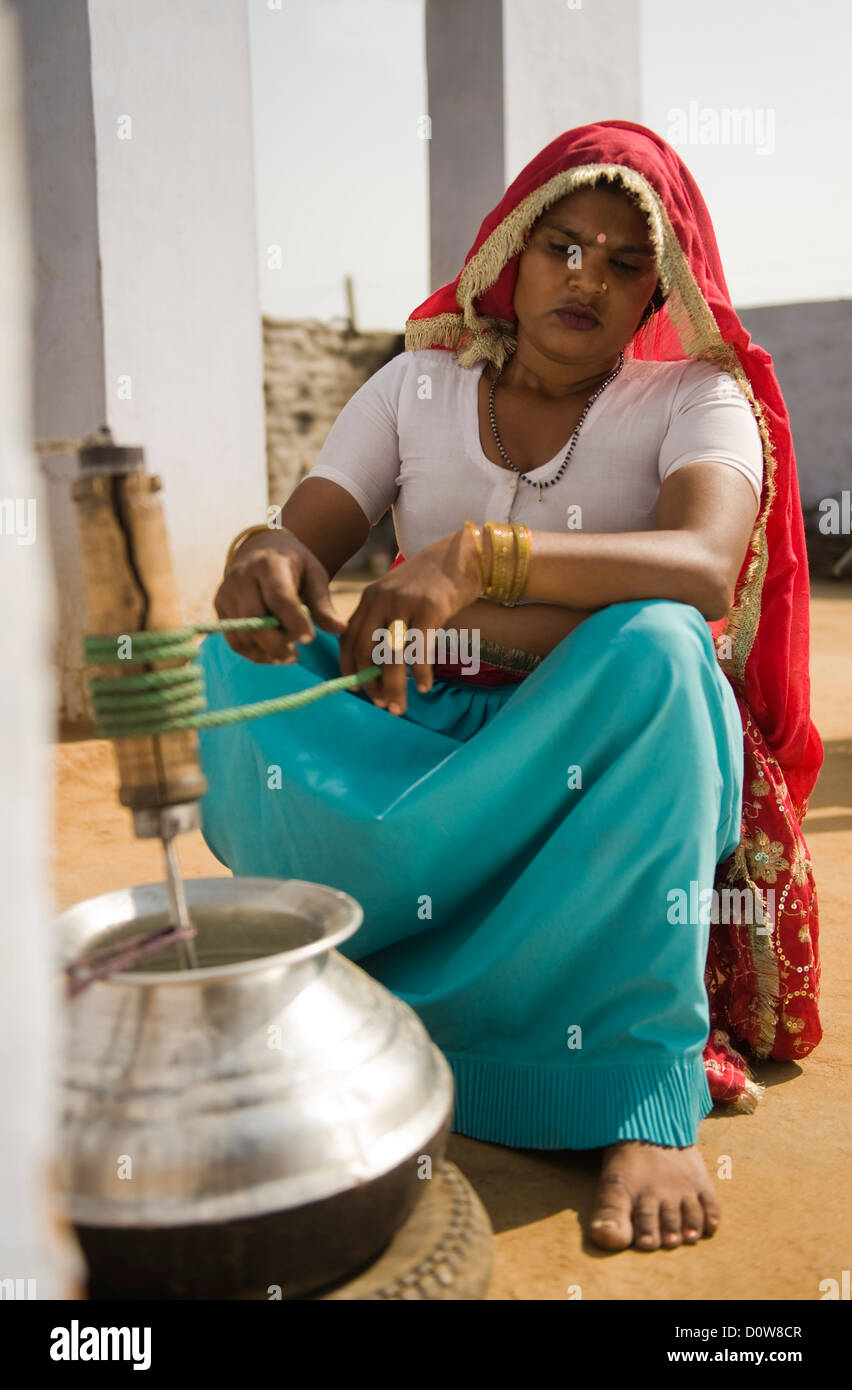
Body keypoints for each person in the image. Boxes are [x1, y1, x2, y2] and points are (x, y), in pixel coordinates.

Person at [196, 121, 823, 1253]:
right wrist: (264, 559)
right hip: (413, 733)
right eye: (562, 244)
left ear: (659, 289)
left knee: (665, 652)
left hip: (587, 752)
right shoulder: (415, 386)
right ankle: (362, 961)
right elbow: (300, 537)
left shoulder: (694, 398)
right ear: (508, 259)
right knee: (228, 654)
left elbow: (700, 566)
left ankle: (633, 1085)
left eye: (625, 260)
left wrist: (481, 561)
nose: (587, 276)